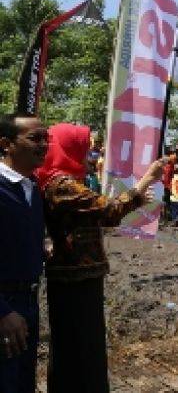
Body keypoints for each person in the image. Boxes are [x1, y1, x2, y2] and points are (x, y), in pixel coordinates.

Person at [35, 123, 165, 393]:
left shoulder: (61, 181)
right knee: (83, 348)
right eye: (84, 147)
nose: (89, 154)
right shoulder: (62, 185)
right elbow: (109, 211)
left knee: (77, 347)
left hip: (77, 274)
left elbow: (99, 215)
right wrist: (145, 180)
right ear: (70, 148)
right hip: (75, 278)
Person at [0, 114, 48, 393]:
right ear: (6, 144)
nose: (44, 145)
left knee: (23, 382)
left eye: (47, 138)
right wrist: (3, 312)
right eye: (35, 138)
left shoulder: (32, 188)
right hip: (6, 306)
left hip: (29, 302)